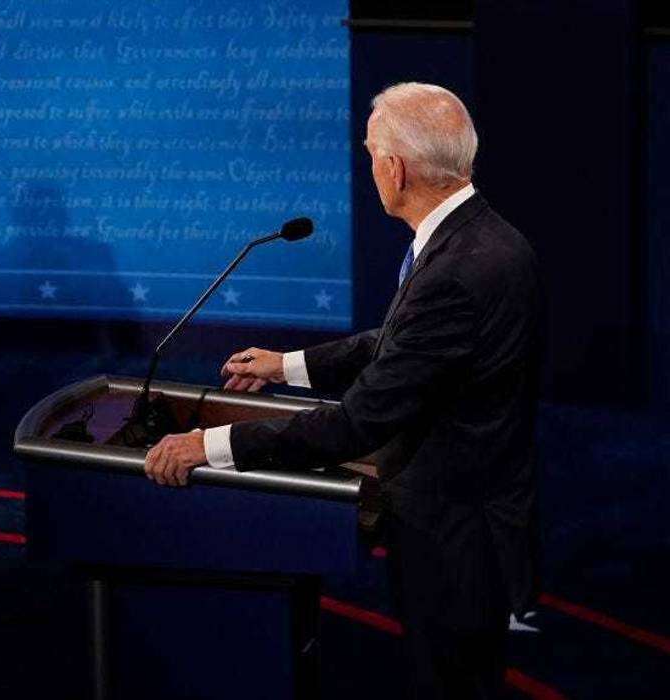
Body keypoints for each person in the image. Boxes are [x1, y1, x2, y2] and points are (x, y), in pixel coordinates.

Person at [144, 83, 542, 700]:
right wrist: (290, 365)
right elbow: (403, 343)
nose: (371, 168)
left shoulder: (458, 271)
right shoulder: (486, 236)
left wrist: (209, 446)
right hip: (475, 507)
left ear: (395, 167)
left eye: (370, 154)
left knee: (452, 683)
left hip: (453, 533)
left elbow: (355, 423)